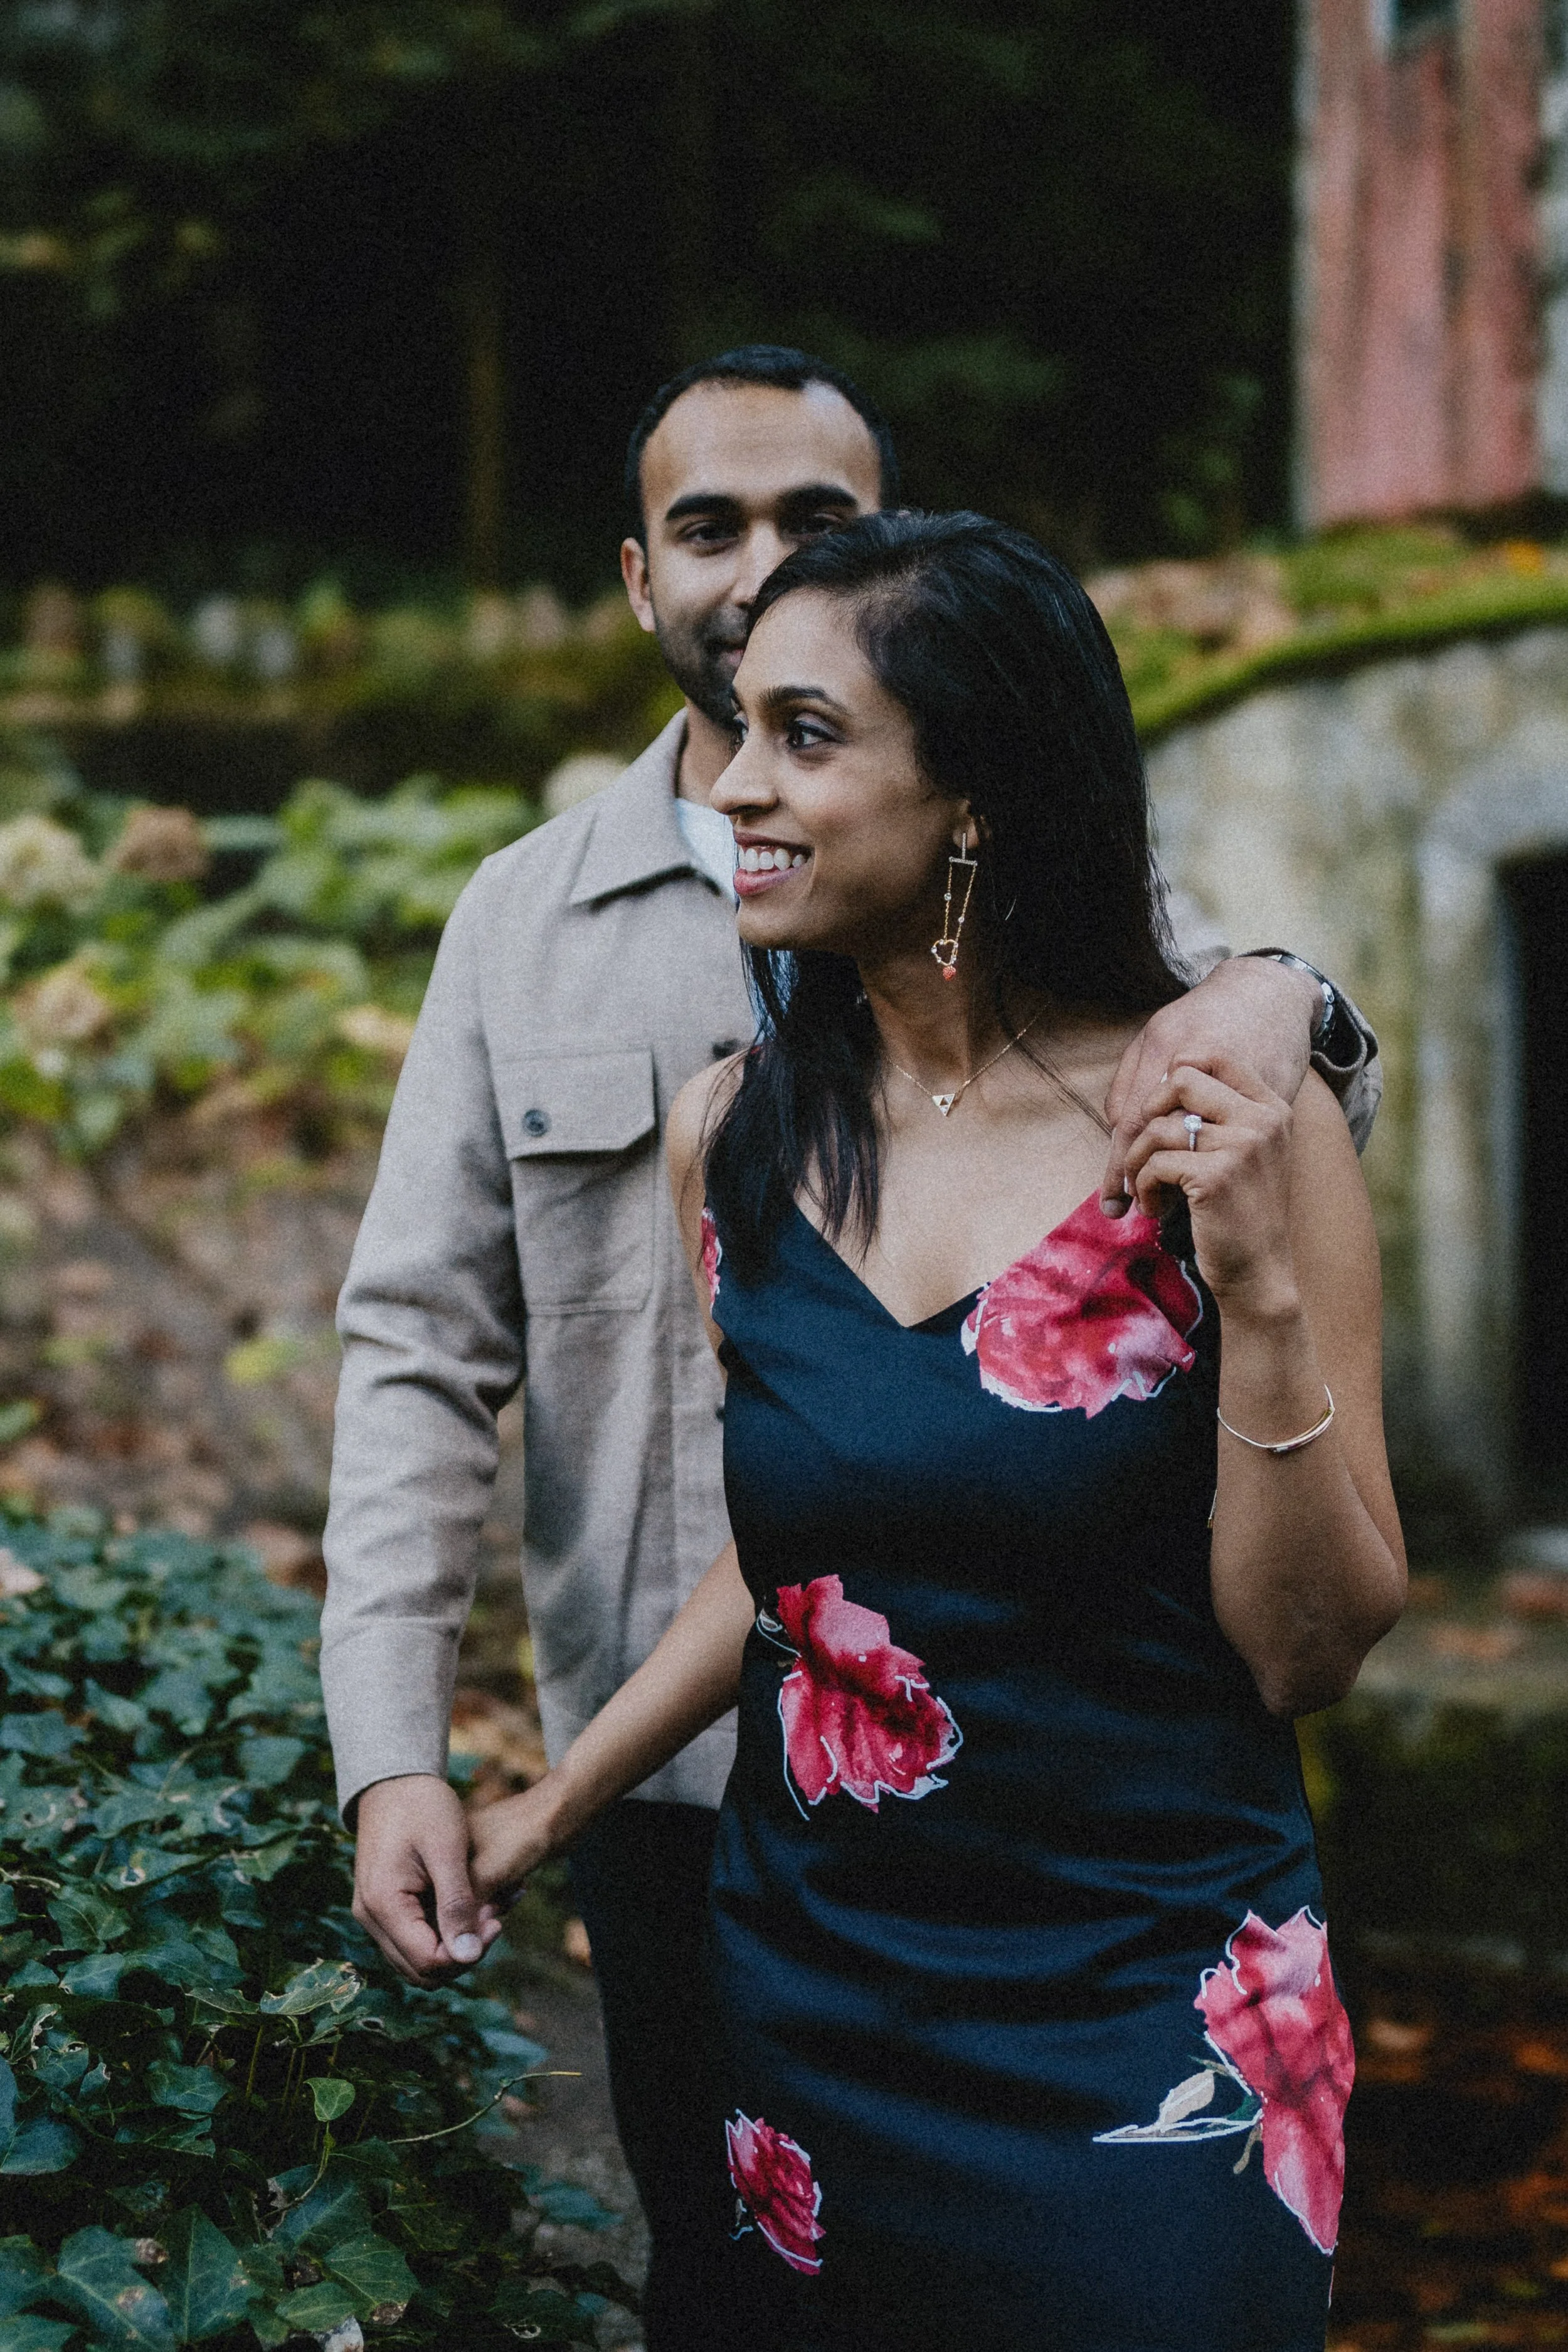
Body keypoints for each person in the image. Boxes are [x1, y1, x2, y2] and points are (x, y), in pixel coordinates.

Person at [321, 352, 1380, 2351]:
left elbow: (1234, 1040)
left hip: (1115, 1899)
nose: (760, 569)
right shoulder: (552, 952)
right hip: (728, 1861)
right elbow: (422, 1354)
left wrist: (1280, 1019)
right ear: (638, 578)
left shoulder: (1123, 977)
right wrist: (433, 1759)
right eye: (711, 527)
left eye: (820, 523)